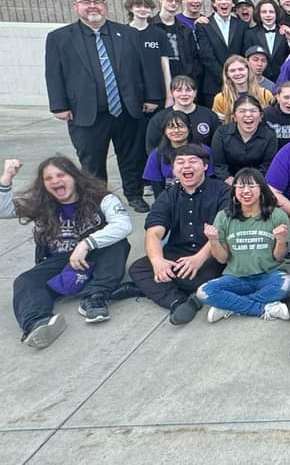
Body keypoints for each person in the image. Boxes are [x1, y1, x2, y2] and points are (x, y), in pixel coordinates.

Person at [46, 0, 163, 213]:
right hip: (87, 112)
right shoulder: (60, 38)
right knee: (92, 161)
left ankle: (134, 194)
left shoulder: (127, 34)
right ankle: (99, 200)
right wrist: (59, 105)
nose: (92, 6)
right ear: (75, 7)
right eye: (86, 2)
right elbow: (53, 73)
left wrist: (151, 96)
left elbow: (144, 68)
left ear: (105, 6)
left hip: (127, 109)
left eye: (97, 2)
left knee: (132, 157)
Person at [1, 157, 131, 348]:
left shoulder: (102, 198)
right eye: (48, 178)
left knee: (118, 244)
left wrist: (86, 244)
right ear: (43, 184)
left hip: (96, 257)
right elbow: (3, 209)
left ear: (75, 177)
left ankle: (94, 298)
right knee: (25, 282)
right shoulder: (41, 203)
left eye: (61, 175)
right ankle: (38, 324)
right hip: (61, 261)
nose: (55, 181)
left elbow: (124, 225)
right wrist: (7, 177)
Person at [123, 145, 230, 323]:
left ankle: (155, 289)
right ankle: (178, 301)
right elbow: (154, 232)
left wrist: (198, 258)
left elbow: (223, 231)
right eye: (180, 162)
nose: (186, 166)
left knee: (217, 276)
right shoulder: (168, 195)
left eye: (192, 161)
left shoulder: (222, 192)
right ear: (173, 170)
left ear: (204, 166)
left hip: (211, 253)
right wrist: (158, 261)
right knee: (139, 268)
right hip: (177, 252)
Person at [190, 168, 290, 324]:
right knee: (204, 292)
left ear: (261, 189)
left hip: (268, 276)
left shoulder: (277, 215)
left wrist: (281, 240)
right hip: (235, 278)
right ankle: (264, 309)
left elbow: (279, 257)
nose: (246, 191)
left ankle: (230, 306)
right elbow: (222, 259)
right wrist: (213, 240)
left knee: (288, 283)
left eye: (251, 186)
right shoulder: (223, 217)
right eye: (240, 186)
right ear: (234, 191)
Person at [143, 111, 216, 196]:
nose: (176, 130)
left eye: (181, 126)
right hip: (169, 200)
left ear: (189, 127)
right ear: (164, 130)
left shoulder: (204, 150)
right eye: (171, 127)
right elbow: (157, 189)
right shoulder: (156, 155)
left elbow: (211, 181)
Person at [196, 0, 247, 104]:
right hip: (213, 85)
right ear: (214, 3)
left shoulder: (241, 25)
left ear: (233, 3)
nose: (223, 2)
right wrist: (225, 78)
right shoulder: (203, 25)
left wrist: (236, 76)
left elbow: (243, 53)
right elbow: (206, 56)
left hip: (238, 84)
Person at [145, 75, 219, 152]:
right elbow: (151, 148)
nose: (184, 94)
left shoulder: (209, 115)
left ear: (195, 92)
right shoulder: (159, 118)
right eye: (179, 90)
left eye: (188, 90)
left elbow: (216, 146)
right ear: (172, 93)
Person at [211, 95, 278, 181]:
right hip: (228, 182)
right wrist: (232, 182)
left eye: (253, 111)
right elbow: (219, 166)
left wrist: (249, 183)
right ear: (234, 116)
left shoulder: (270, 135)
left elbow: (267, 167)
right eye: (242, 111)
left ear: (261, 116)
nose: (248, 115)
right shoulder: (221, 133)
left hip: (258, 181)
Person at [242, 0, 290, 81]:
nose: (268, 15)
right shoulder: (250, 34)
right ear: (259, 14)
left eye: (271, 12)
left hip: (283, 79)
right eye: (264, 12)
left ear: (276, 14)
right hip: (258, 81)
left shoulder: (285, 31)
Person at [211, 55, 274, 122]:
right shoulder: (220, 98)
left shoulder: (265, 94)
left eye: (241, 69)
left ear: (248, 70)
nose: (237, 73)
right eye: (232, 71)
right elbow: (219, 124)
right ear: (227, 74)